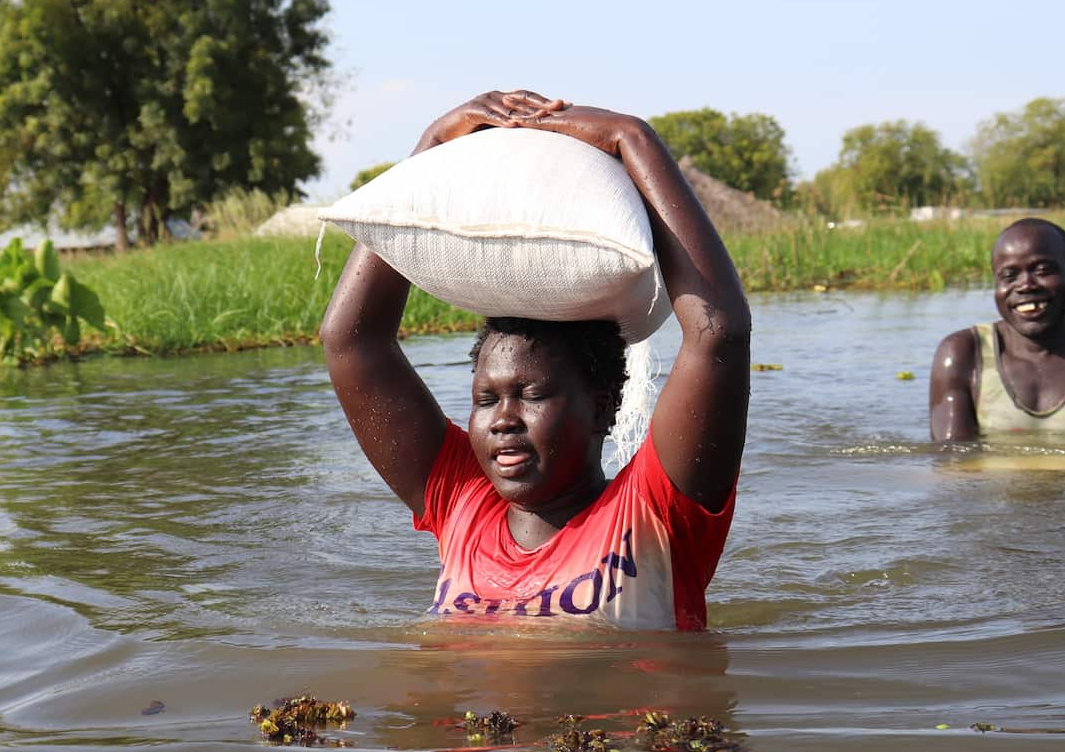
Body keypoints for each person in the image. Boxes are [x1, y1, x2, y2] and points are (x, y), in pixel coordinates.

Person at [320, 90, 751, 630]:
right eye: (485, 399)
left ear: (601, 408)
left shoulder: (654, 513)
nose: (502, 419)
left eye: (532, 395)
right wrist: (432, 148)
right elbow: (351, 342)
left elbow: (719, 331)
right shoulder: (462, 503)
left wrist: (632, 138)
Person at [929, 217, 1065, 441]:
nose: (1025, 285)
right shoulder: (964, 354)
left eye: (1042, 270)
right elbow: (952, 461)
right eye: (1009, 276)